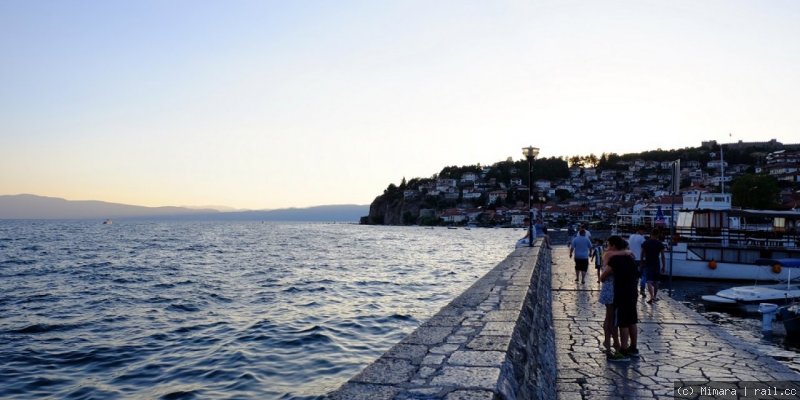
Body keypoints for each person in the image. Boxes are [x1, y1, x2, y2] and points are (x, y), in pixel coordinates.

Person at [600, 235, 640, 359]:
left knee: (617, 320)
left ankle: (620, 348)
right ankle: (632, 347)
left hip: (617, 291)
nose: (607, 247)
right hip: (632, 291)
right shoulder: (630, 257)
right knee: (631, 320)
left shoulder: (613, 257)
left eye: (608, 244)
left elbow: (603, 276)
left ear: (613, 245)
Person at [641, 229, 666, 304]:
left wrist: (641, 262)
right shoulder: (660, 244)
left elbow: (642, 254)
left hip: (648, 263)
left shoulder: (645, 243)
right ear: (658, 235)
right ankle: (654, 296)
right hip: (656, 263)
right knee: (656, 281)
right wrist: (664, 266)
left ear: (650, 234)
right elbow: (662, 256)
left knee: (649, 280)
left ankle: (651, 296)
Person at [627, 227, 646, 297]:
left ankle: (634, 289)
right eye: (643, 231)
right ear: (640, 230)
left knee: (634, 275)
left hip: (632, 259)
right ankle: (642, 289)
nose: (644, 232)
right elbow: (644, 249)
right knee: (643, 275)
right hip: (640, 259)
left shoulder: (631, 237)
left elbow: (628, 247)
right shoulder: (642, 238)